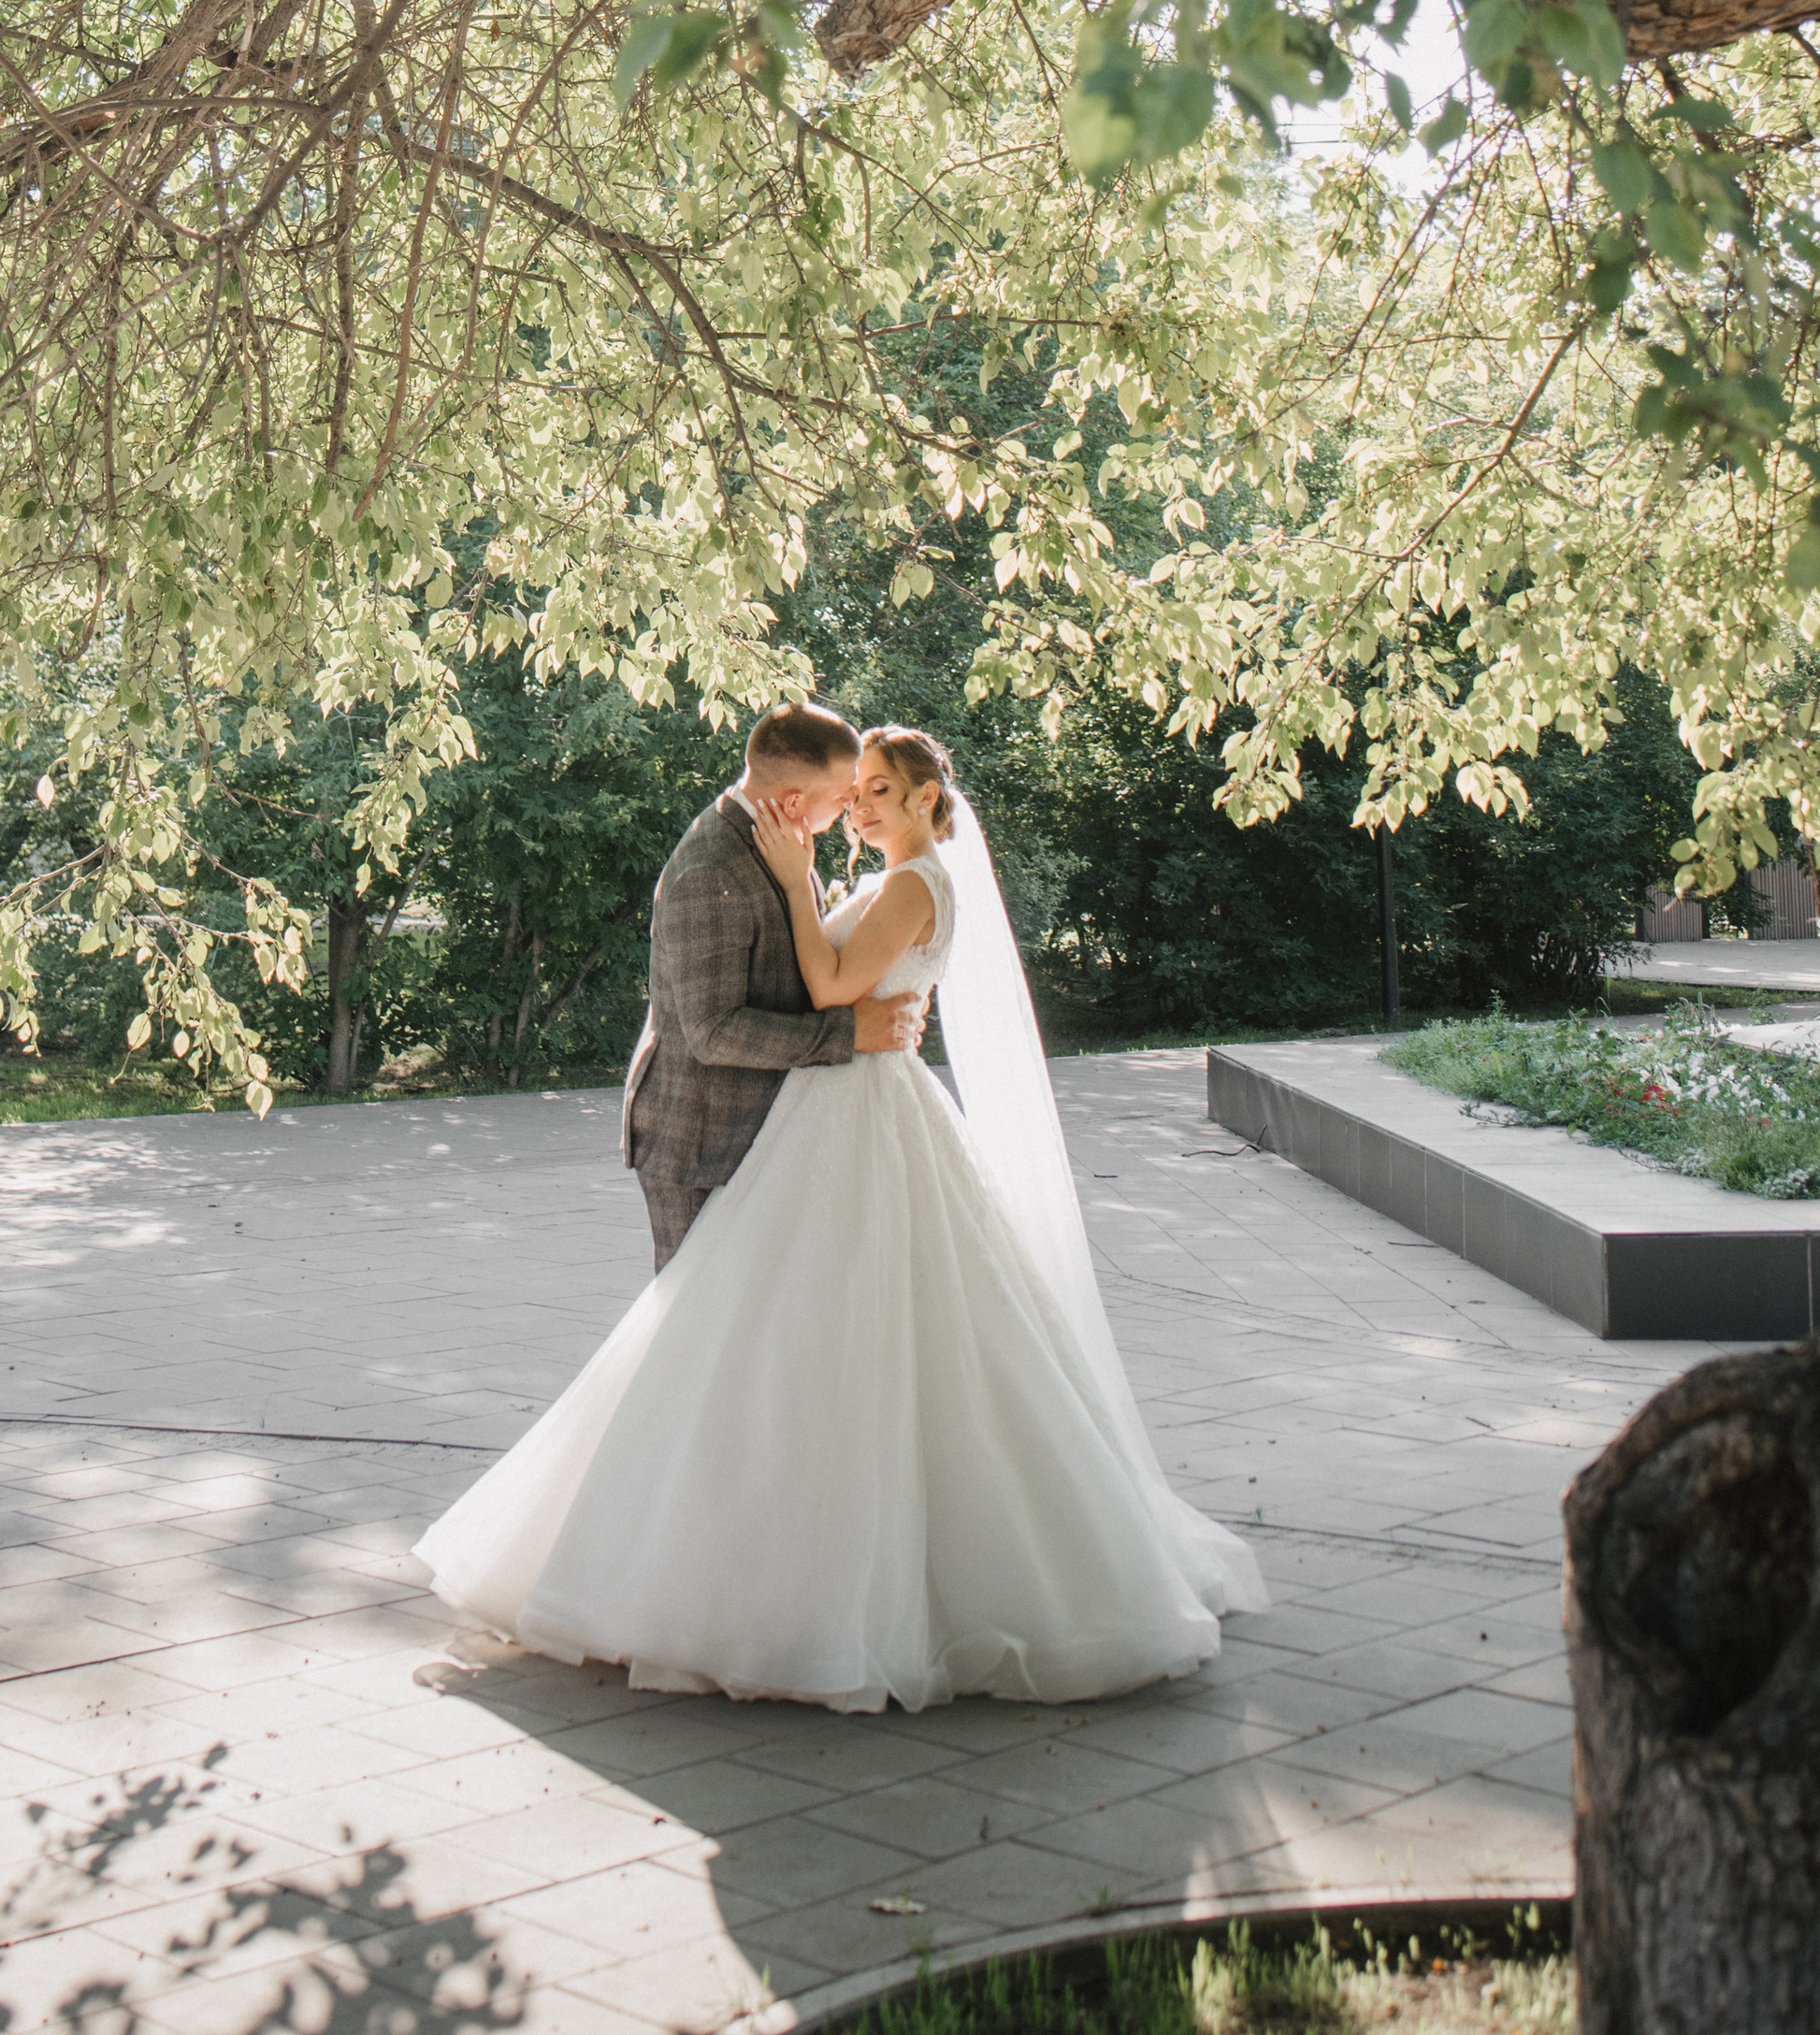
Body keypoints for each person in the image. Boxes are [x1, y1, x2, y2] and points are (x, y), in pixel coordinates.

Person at [415, 721, 1266, 1711]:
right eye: (843, 793)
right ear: (795, 788)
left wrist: (796, 888)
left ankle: (751, 1578)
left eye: (869, 793)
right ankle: (714, 1563)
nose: (847, 811)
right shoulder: (730, 865)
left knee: (774, 1351)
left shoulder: (895, 878)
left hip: (851, 1119)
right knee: (731, 1353)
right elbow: (747, 1014)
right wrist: (819, 946)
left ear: (917, 800)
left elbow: (826, 976)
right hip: (763, 1121)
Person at [619, 700, 925, 1268]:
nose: (849, 812)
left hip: (752, 1133)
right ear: (793, 802)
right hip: (701, 1143)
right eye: (842, 800)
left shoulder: (774, 840)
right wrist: (848, 1032)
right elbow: (713, 1032)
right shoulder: (713, 868)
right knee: (702, 1334)